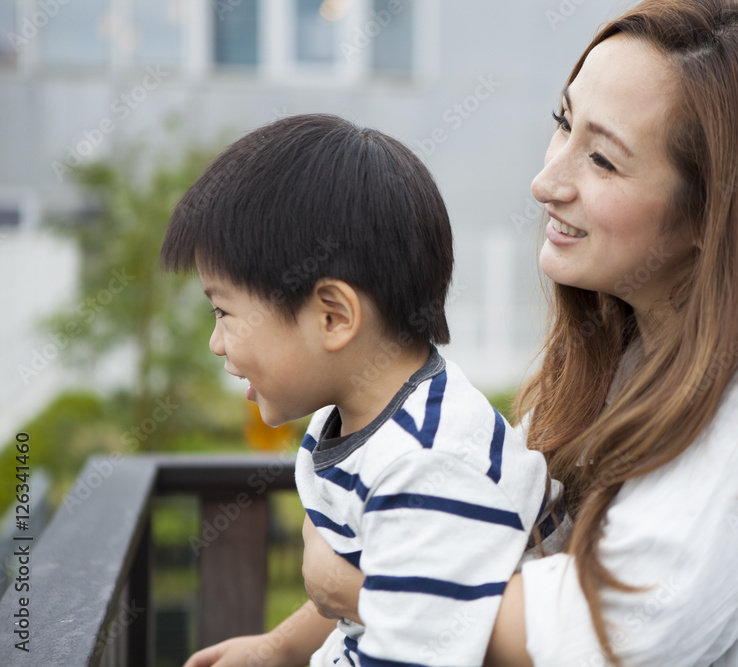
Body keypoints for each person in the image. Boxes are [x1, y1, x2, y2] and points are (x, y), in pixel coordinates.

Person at [299, 1, 738, 666]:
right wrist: (277, 644)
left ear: (715, 208)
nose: (545, 180)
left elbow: (616, 625)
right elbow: (469, 533)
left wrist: (352, 585)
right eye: (562, 123)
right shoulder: (615, 353)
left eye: (603, 160)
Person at [161, 114, 551, 667]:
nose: (216, 342)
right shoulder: (364, 422)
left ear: (333, 316)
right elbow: (360, 590)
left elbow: (416, 648)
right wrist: (274, 650)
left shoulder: (430, 464)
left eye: (225, 312)